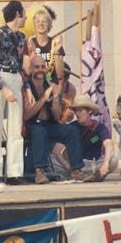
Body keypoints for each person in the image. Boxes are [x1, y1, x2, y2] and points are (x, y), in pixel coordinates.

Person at [24, 55, 94, 184]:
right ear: (31, 69)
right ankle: (39, 171)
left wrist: (56, 99)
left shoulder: (50, 85)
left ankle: (76, 170)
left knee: (71, 130)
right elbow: (27, 115)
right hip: (31, 125)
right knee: (39, 131)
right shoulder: (26, 87)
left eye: (42, 67)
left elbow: (56, 116)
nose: (40, 70)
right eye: (36, 67)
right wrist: (44, 97)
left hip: (49, 124)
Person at [0, 0, 27, 186]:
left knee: (16, 127)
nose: (26, 18)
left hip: (15, 76)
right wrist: (4, 87)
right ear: (17, 14)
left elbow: (20, 63)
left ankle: (14, 172)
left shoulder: (22, 37)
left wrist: (24, 87)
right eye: (24, 14)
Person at [53, 96, 115, 181]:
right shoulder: (71, 127)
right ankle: (87, 175)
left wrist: (105, 164)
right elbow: (56, 151)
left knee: (113, 161)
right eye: (75, 111)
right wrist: (69, 167)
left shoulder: (99, 127)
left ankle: (89, 174)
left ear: (89, 111)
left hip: (93, 164)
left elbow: (109, 145)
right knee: (51, 160)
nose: (77, 114)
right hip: (74, 165)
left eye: (80, 110)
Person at [22, 5, 65, 86]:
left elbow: (60, 74)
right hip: (34, 88)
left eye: (44, 22)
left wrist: (56, 53)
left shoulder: (55, 44)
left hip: (52, 86)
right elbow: (27, 72)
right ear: (34, 25)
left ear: (49, 25)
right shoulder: (28, 43)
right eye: (37, 22)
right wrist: (33, 53)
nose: (40, 24)